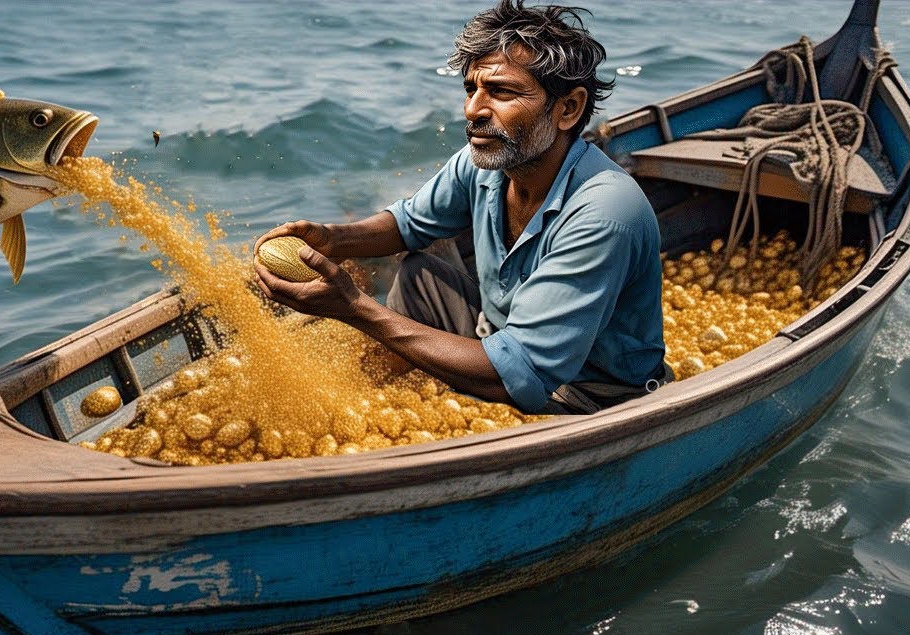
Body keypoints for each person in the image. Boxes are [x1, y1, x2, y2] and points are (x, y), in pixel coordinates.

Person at [254, 0, 671, 415]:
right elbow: (407, 224)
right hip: (500, 336)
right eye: (472, 89)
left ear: (568, 109)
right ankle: (375, 403)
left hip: (588, 394)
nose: (473, 110)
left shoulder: (605, 211)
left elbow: (522, 369)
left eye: (502, 91)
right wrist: (333, 239)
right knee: (420, 275)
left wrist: (354, 307)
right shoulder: (488, 165)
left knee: (501, 366)